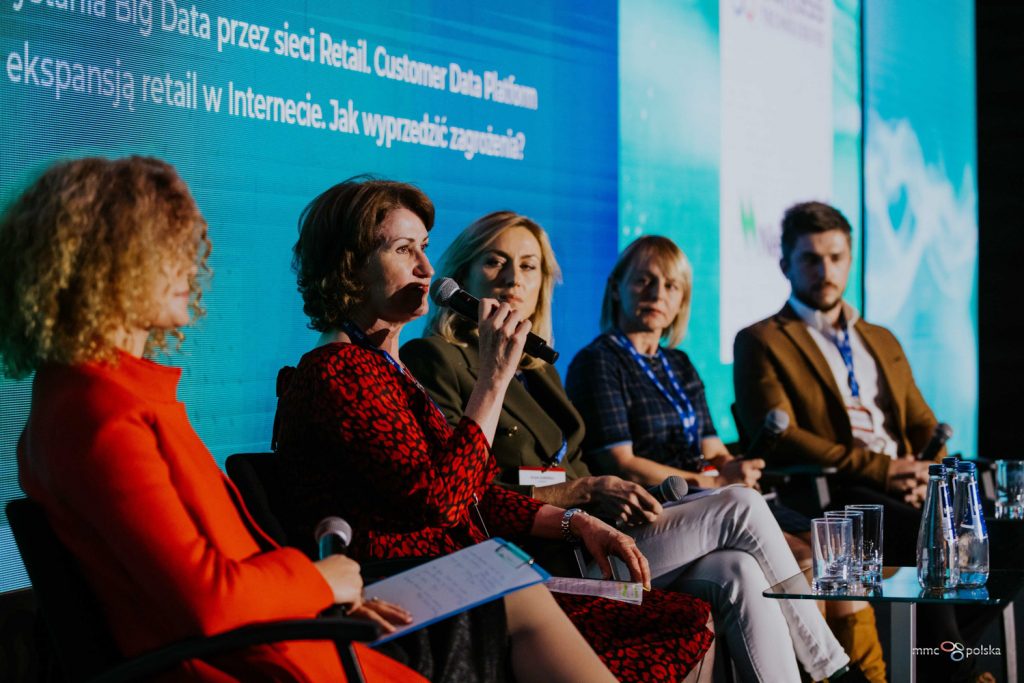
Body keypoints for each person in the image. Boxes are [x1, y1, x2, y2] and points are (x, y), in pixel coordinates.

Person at [273, 179, 716, 683]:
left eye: (424, 248)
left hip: (465, 574)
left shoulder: (387, 368)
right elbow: (442, 501)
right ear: (350, 265)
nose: (426, 268)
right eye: (403, 250)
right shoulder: (340, 369)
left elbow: (476, 493)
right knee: (658, 616)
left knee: (686, 615)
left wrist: (575, 522)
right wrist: (493, 379)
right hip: (403, 588)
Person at [0, 157, 422, 682]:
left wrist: (315, 598)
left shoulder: (99, 397)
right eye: (164, 251)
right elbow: (209, 601)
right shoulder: (98, 413)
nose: (189, 268)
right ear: (96, 265)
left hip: (279, 645)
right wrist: (320, 582)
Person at [401, 213, 862, 683]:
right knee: (740, 507)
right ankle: (837, 671)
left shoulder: (538, 369)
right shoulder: (438, 358)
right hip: (537, 553)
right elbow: (464, 491)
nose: (513, 279)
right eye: (495, 262)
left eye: (528, 266)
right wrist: (584, 491)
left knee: (737, 569)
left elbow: (573, 467)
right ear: (463, 274)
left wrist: (603, 496)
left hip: (595, 537)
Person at [732, 202, 939, 542]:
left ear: (850, 261)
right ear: (785, 266)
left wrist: (927, 476)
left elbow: (922, 422)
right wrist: (883, 470)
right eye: (811, 259)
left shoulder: (881, 338)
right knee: (944, 536)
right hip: (839, 490)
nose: (825, 271)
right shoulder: (761, 340)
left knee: (998, 525)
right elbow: (784, 437)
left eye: (835, 258)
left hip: (906, 485)